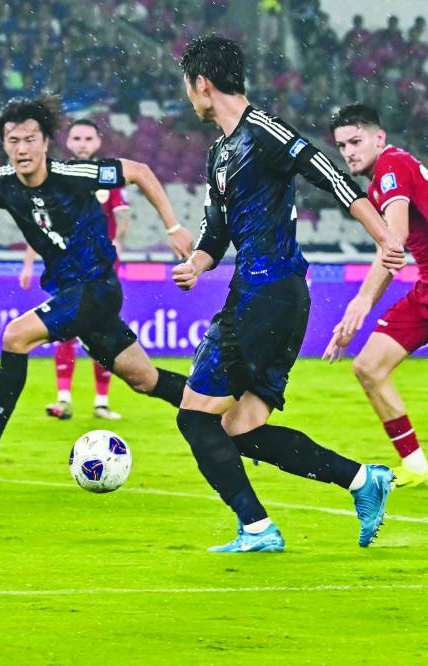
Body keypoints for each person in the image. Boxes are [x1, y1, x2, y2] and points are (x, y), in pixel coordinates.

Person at [172, 36, 406, 553]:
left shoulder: (264, 130)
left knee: (194, 418)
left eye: (188, 85)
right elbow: (216, 235)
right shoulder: (218, 154)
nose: (188, 95)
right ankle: (361, 480)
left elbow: (333, 178)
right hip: (265, 296)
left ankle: (257, 528)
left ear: (202, 83)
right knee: (239, 430)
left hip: (267, 295)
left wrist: (386, 237)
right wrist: (195, 264)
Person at [0, 95, 195, 465]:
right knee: (144, 379)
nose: (21, 148)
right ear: (4, 143)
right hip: (75, 294)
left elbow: (139, 171)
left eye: (29, 139)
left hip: (97, 288)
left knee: (15, 335)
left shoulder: (73, 175)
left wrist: (173, 226)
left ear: (44, 142)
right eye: (13, 140)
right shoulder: (1, 183)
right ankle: (221, 412)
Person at [324, 103, 428, 488]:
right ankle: (416, 466)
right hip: (425, 290)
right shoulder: (386, 174)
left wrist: (362, 301)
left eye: (356, 141)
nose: (349, 151)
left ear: (379, 138)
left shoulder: (391, 167)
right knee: (368, 366)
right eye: (342, 146)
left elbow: (394, 240)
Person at [20, 119, 131, 422]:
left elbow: (123, 217)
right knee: (66, 331)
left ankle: (101, 402)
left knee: (103, 332)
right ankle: (64, 400)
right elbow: (40, 226)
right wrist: (29, 263)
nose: (82, 143)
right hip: (68, 269)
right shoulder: (55, 178)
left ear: (97, 143)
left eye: (88, 138)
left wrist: (118, 241)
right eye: (77, 138)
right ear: (68, 143)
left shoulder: (106, 177)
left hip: (100, 270)